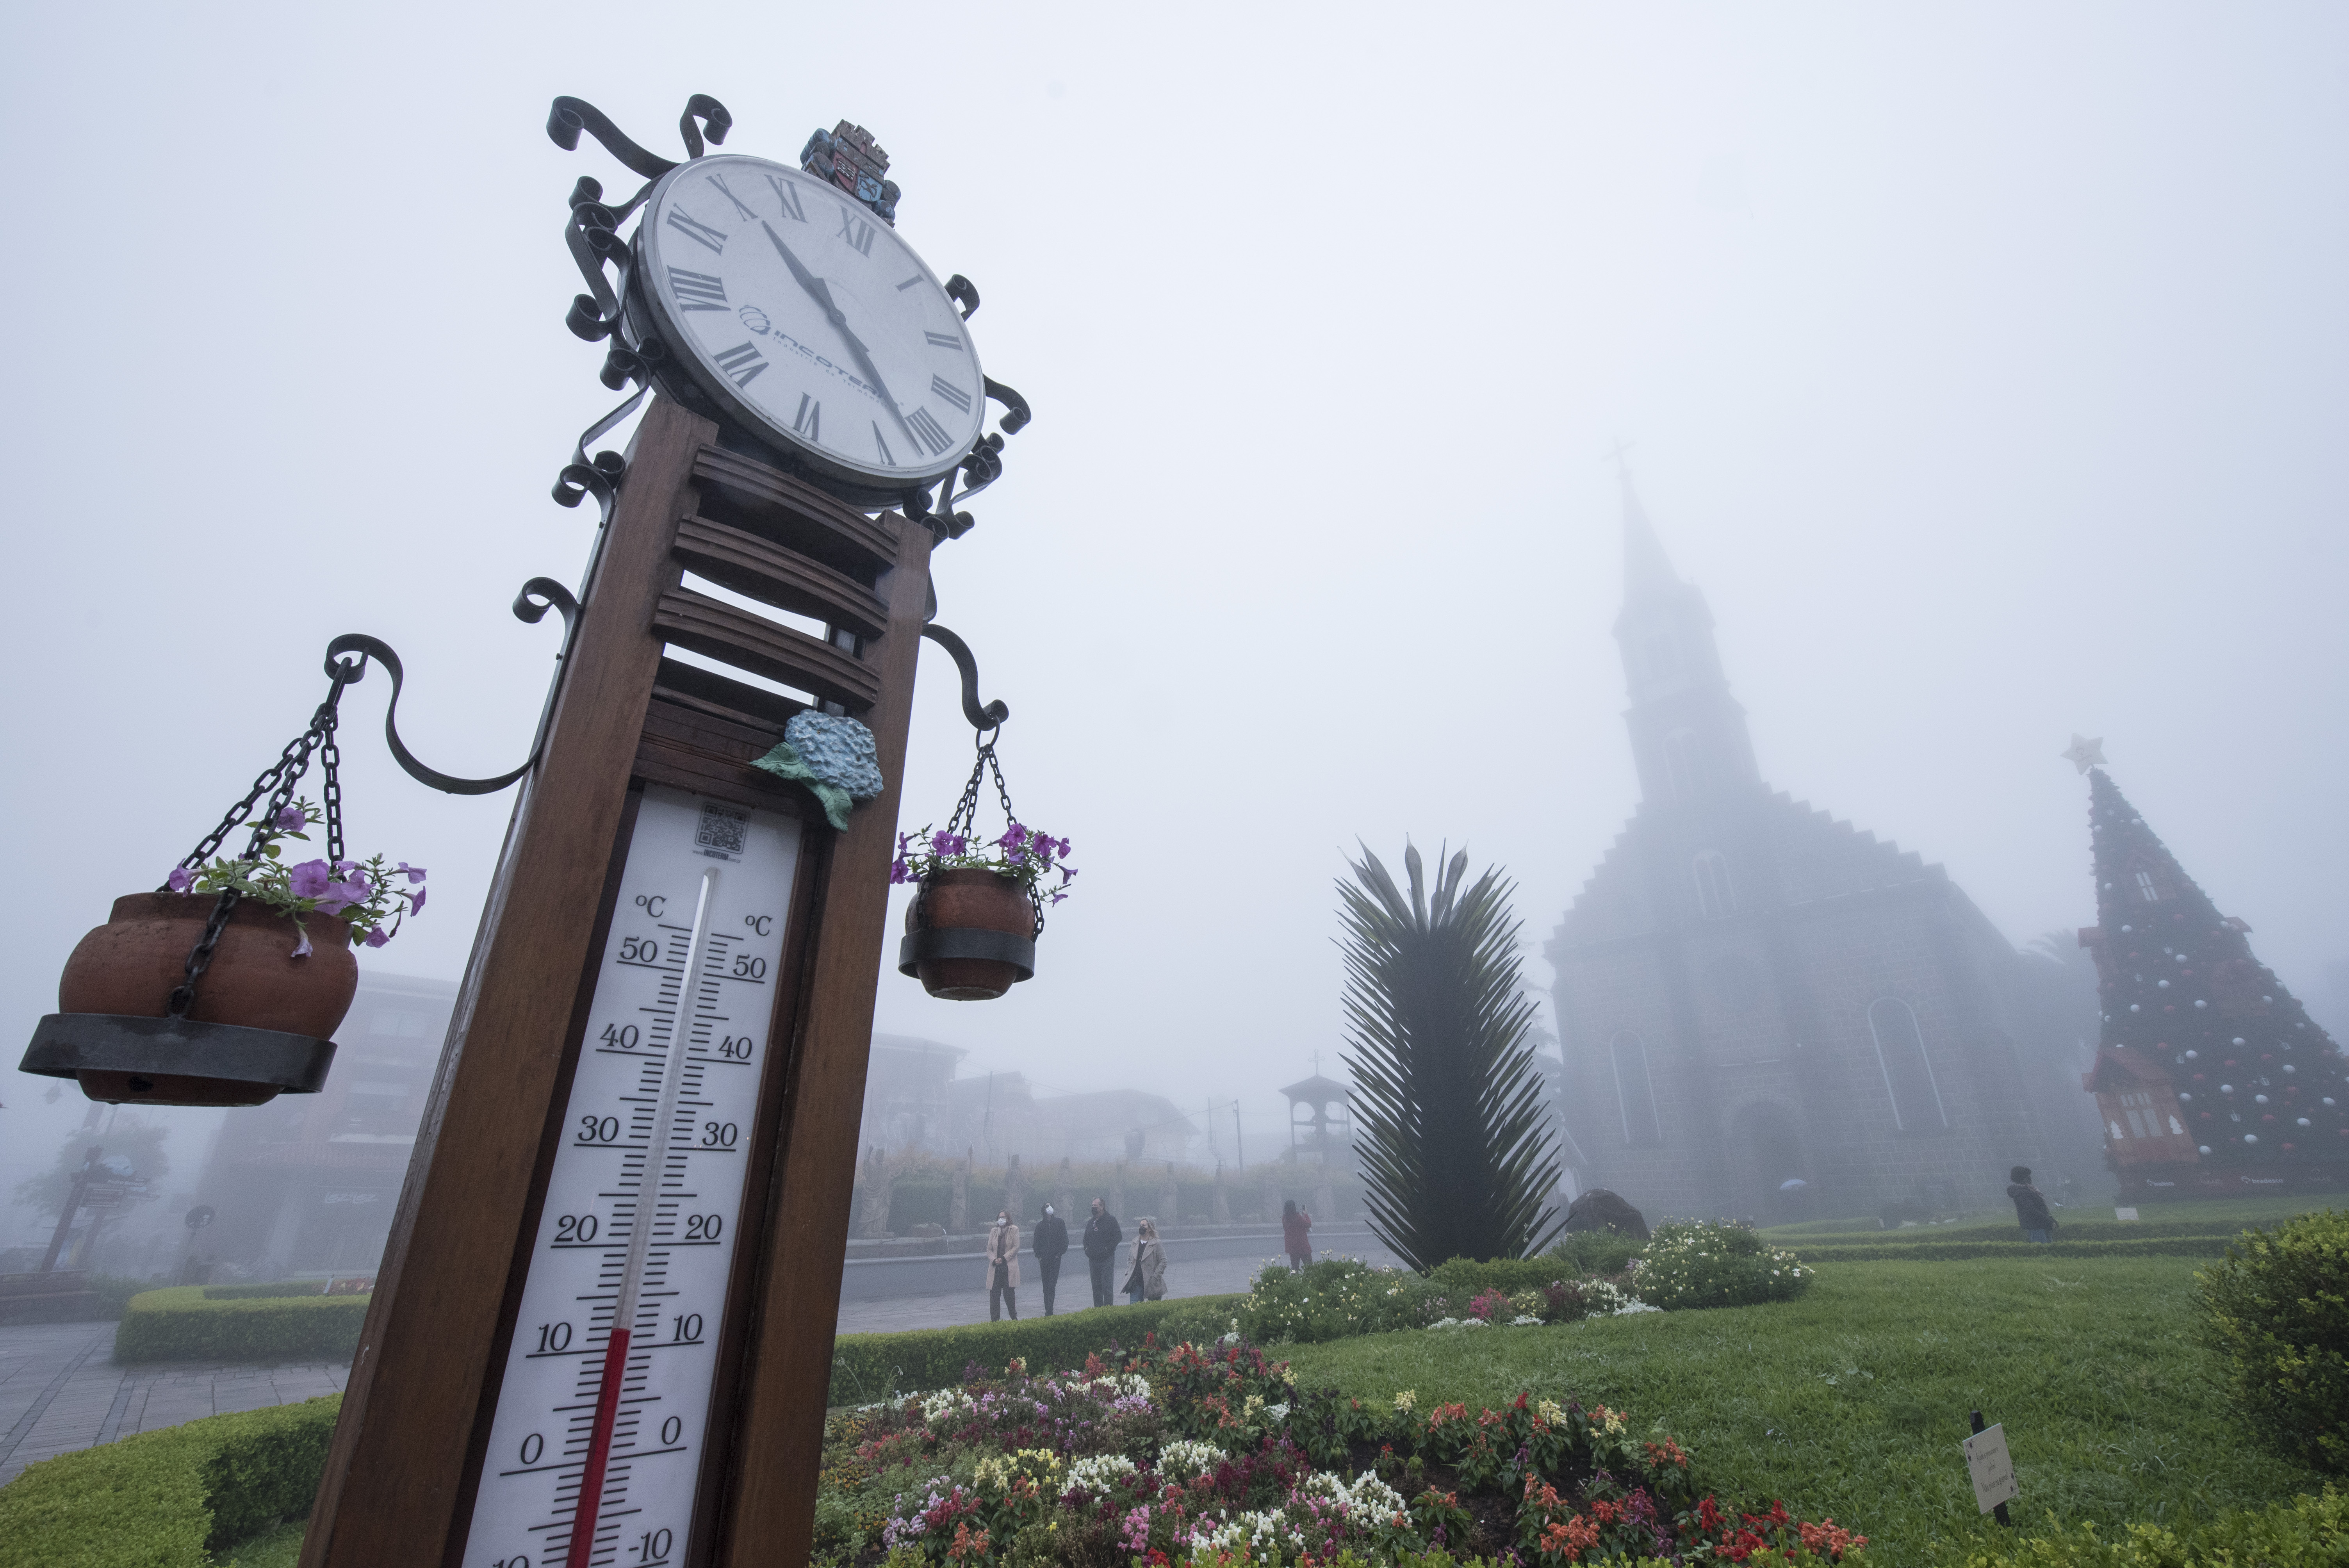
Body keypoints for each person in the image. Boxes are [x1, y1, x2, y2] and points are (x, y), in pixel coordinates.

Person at [1083, 1197, 1122, 1308]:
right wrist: (1087, 1250)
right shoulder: (1091, 1222)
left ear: (1102, 1207)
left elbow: (1118, 1236)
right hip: (1093, 1261)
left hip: (1107, 1260)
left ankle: (1108, 1312)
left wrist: (1107, 1250)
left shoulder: (1111, 1220)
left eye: (1096, 1206)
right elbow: (1085, 1239)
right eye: (1092, 1206)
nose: (1093, 1209)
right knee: (1096, 1289)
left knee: (1107, 1288)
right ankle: (1098, 1312)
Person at [1033, 1201, 1069, 1316]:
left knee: (1051, 1286)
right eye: (1047, 1206)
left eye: (1050, 1206)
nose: (1049, 1208)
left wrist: (1059, 1254)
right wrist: (1039, 1256)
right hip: (1044, 1261)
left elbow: (1065, 1241)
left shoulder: (1059, 1223)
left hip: (1055, 1260)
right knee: (1046, 1287)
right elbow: (1036, 1243)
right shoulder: (1040, 1226)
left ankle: (1050, 1311)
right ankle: (1048, 1310)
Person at [984, 1209, 1021, 1320]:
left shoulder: (1014, 1230)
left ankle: (1014, 1319)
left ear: (1008, 1218)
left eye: (1004, 1217)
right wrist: (994, 1260)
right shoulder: (994, 1231)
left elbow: (1016, 1247)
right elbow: (989, 1250)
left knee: (1009, 1296)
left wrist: (1004, 1258)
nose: (1001, 1219)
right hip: (996, 1269)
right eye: (1000, 1217)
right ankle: (995, 1322)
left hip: (1008, 1268)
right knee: (994, 1297)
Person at [2007, 1166, 2056, 1244]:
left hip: (2042, 1225)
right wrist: (2048, 1221)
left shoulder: (2029, 1190)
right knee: (2042, 1251)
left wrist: (2050, 1220)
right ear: (2021, 1178)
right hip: (2036, 1227)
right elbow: (2031, 1210)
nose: (2030, 1178)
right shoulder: (2021, 1193)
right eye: (2027, 1176)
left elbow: (2040, 1208)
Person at [1124, 1217, 1167, 1303]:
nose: (1141, 1227)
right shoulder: (1135, 1242)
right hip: (1137, 1282)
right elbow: (1130, 1258)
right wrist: (1129, 1271)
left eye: (1144, 1226)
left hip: (1152, 1283)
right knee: (1134, 1310)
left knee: (1155, 1311)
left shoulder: (1157, 1243)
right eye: (1140, 1225)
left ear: (1150, 1229)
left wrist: (1155, 1276)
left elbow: (1163, 1261)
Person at [1281, 1197, 1313, 1268]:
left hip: (1292, 1247)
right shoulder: (1297, 1217)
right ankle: (1308, 1279)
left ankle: (1294, 1279)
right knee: (1310, 1267)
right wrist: (1306, 1215)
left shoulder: (1284, 1219)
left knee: (1295, 1268)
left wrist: (1303, 1229)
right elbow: (1308, 1224)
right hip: (1302, 1246)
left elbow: (1292, 1230)